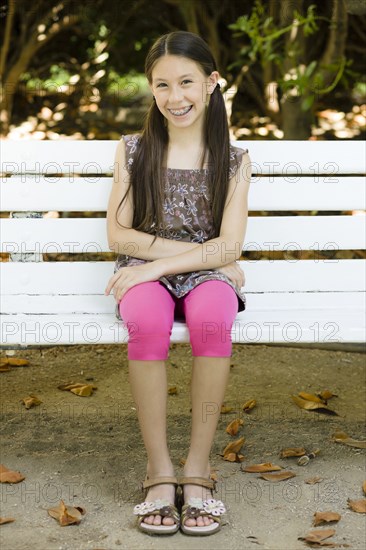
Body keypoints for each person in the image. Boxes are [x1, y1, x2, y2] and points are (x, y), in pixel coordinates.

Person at [105, 30, 251, 536]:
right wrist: (183, 260)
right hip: (148, 274)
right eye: (162, 85)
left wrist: (159, 261)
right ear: (151, 89)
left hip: (202, 278)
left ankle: (198, 469)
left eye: (187, 81)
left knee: (213, 319)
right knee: (145, 320)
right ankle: (160, 471)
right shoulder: (133, 150)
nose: (175, 97)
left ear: (212, 82)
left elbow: (230, 247)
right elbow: (119, 234)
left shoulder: (234, 160)